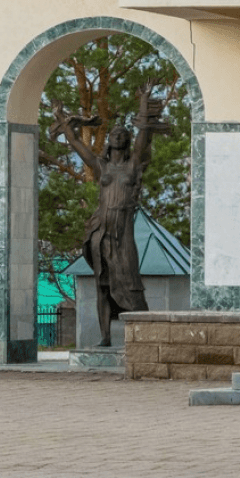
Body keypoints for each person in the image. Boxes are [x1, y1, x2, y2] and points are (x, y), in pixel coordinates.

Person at [56, 85, 169, 346]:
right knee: (102, 284)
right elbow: (75, 144)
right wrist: (63, 121)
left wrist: (143, 101)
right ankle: (105, 337)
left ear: (128, 141)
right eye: (114, 133)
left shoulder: (134, 164)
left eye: (122, 133)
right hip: (100, 228)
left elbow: (144, 133)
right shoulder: (100, 165)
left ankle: (144, 336)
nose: (118, 135)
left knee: (130, 280)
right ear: (109, 140)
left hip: (123, 228)